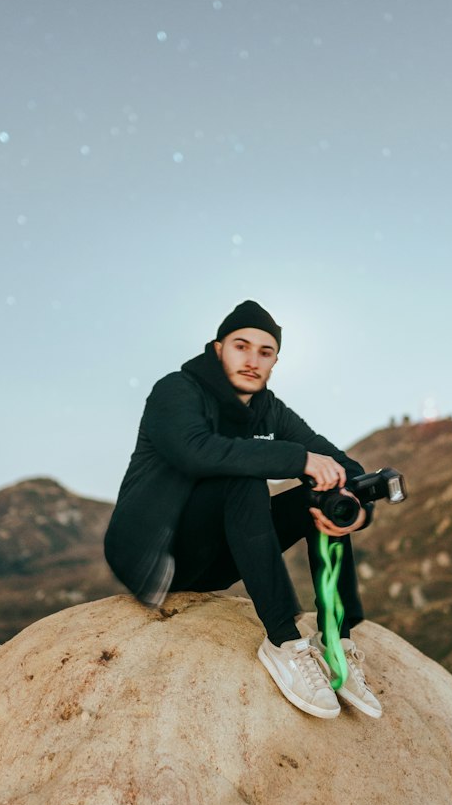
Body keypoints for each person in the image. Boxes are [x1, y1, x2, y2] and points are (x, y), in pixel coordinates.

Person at [104, 299, 382, 720]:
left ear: (274, 362)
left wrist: (355, 511)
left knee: (321, 499)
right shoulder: (177, 389)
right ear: (218, 349)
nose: (252, 360)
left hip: (218, 557)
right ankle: (284, 642)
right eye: (241, 345)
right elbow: (195, 451)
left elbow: (341, 464)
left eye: (265, 352)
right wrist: (297, 460)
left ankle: (335, 642)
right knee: (243, 473)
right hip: (155, 553)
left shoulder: (270, 410)